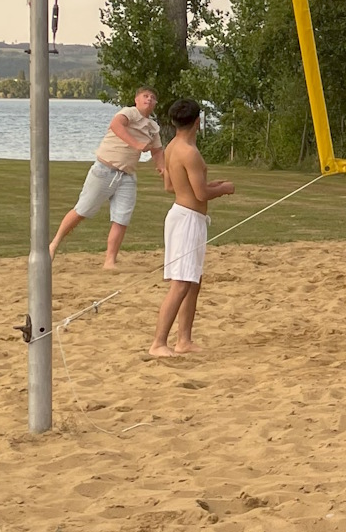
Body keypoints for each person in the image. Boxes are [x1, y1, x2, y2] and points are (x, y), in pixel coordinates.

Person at [150, 99, 234, 357]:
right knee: (181, 283)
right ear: (197, 122)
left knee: (192, 281)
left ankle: (184, 339)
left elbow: (170, 186)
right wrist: (223, 189)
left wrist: (211, 185)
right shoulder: (189, 151)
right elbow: (200, 193)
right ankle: (159, 343)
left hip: (183, 216)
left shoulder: (172, 146)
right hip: (187, 219)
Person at [50, 87, 164, 268]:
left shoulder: (153, 127)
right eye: (145, 96)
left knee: (122, 218)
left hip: (127, 175)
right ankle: (54, 243)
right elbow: (116, 125)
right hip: (104, 169)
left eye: (153, 97)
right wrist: (136, 144)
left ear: (156, 104)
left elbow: (157, 151)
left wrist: (163, 170)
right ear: (136, 99)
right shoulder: (129, 113)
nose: (149, 99)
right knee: (82, 210)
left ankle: (110, 260)